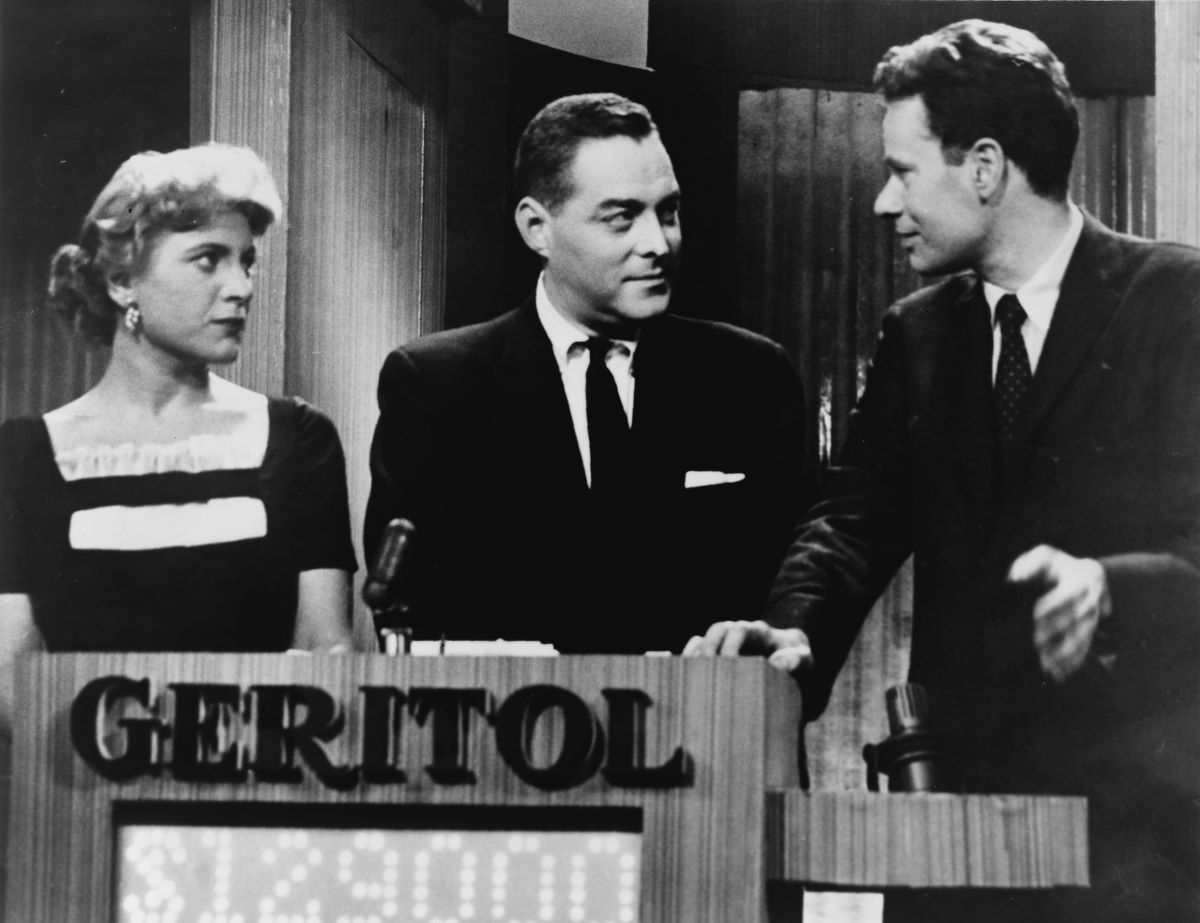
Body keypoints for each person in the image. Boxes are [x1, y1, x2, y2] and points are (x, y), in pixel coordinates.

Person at [686, 20, 1200, 923]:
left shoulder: (1178, 301)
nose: (883, 203)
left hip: (1138, 841)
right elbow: (850, 520)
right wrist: (793, 633)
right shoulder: (916, 332)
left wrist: (1110, 587)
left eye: (902, 170)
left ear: (986, 167)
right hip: (953, 833)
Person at [364, 93, 816, 653]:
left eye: (668, 213)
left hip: (707, 706)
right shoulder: (436, 385)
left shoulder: (753, 378)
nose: (658, 244)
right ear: (537, 228)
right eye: (622, 218)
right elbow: (412, 613)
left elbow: (783, 598)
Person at [0, 145, 357, 722]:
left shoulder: (299, 439)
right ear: (122, 280)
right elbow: (9, 675)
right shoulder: (22, 457)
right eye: (208, 259)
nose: (241, 287)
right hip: (82, 771)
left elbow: (326, 650)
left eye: (246, 261)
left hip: (260, 767)